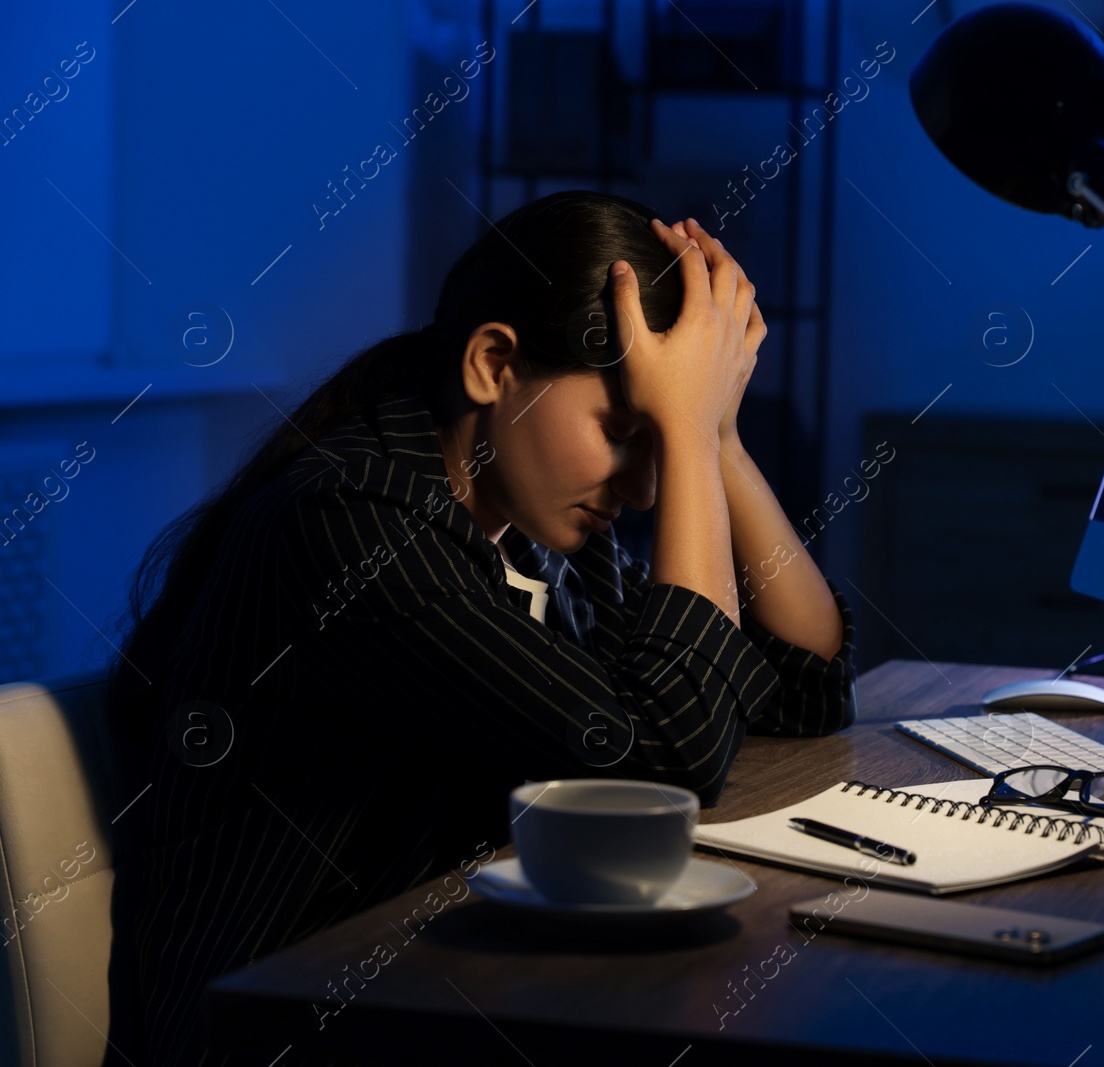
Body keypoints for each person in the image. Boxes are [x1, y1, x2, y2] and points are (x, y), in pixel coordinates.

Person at [102, 191, 858, 1065]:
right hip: (273, 1027)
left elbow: (804, 689)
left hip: (453, 990)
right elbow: (664, 755)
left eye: (662, 439)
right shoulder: (350, 525)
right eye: (623, 432)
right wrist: (685, 430)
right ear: (494, 364)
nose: (648, 488)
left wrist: (716, 429)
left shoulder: (547, 538)